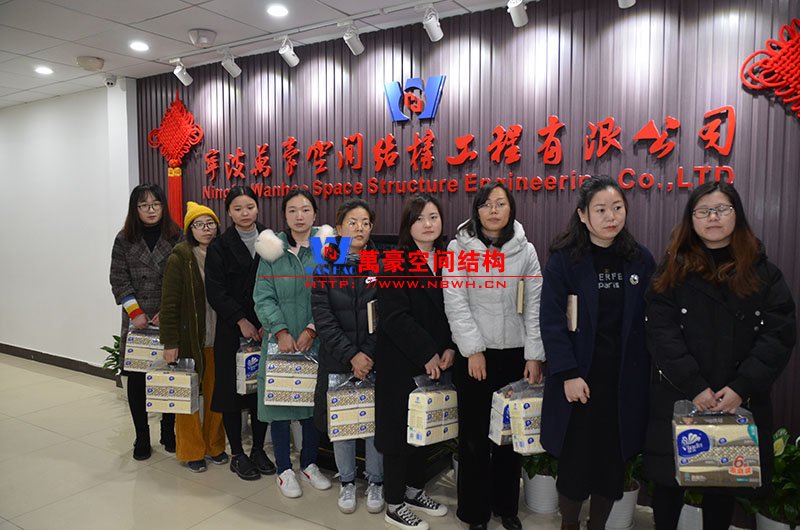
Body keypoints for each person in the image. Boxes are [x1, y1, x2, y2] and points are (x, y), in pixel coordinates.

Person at [644, 181, 796, 530]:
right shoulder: (671, 269)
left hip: (738, 398)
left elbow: (779, 334)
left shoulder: (763, 272)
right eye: (703, 211)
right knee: (668, 485)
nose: (713, 217)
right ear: (691, 219)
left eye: (721, 209)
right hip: (680, 395)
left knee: (723, 485)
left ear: (736, 215)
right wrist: (694, 385)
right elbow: (661, 332)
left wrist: (742, 387)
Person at [539, 176, 656, 530]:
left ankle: (598, 526)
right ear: (583, 215)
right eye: (601, 210)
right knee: (575, 464)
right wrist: (568, 373)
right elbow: (551, 320)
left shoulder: (640, 260)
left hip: (622, 382)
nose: (611, 217)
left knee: (611, 466)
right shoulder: (565, 260)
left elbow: (653, 318)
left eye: (617, 208)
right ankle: (569, 524)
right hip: (579, 381)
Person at [442, 182, 544, 530]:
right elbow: (456, 302)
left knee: (508, 437)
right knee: (474, 439)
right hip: (475, 356)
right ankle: (474, 513)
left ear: (511, 208)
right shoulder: (459, 248)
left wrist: (534, 355)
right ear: (477, 210)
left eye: (500, 203)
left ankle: (506, 506)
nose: (494, 210)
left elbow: (534, 305)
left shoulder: (525, 250)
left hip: (514, 355)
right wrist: (473, 350)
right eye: (486, 204)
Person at [376, 194, 455, 530]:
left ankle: (414, 491)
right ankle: (394, 504)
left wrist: (450, 347)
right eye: (419, 218)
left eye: (433, 217)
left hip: (437, 360)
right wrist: (427, 353)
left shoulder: (449, 259)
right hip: (402, 361)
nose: (428, 224)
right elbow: (395, 317)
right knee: (398, 435)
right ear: (408, 225)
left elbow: (456, 308)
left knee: (424, 427)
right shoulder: (395, 261)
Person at [253, 189, 333, 497]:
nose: (299, 216)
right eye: (292, 210)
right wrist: (281, 330)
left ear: (315, 213)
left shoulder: (329, 246)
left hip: (317, 340)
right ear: (284, 215)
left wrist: (313, 329)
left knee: (312, 405)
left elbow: (335, 293)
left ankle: (309, 464)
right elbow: (262, 297)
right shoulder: (271, 249)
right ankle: (284, 470)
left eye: (305, 209)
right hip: (281, 343)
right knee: (280, 404)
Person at [311, 199, 385, 515]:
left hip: (374, 359)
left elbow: (386, 315)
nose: (359, 228)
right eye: (352, 222)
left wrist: (367, 353)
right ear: (339, 228)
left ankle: (376, 481)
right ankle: (347, 481)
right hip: (337, 358)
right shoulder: (326, 264)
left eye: (365, 222)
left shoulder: (382, 263)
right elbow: (323, 317)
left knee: (373, 423)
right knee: (344, 423)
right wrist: (351, 355)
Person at [205, 186, 276, 481]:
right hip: (232, 329)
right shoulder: (219, 246)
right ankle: (237, 453)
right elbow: (215, 291)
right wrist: (241, 320)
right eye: (238, 208)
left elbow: (278, 283)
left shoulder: (271, 241)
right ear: (229, 212)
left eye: (250, 207)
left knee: (261, 391)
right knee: (231, 393)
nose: (245, 213)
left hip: (266, 327)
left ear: (257, 208)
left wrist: (267, 321)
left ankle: (258, 449)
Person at [110, 183, 182, 460]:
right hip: (137, 319)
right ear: (135, 209)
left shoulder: (176, 235)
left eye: (155, 204)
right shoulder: (124, 239)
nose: (151, 210)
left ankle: (168, 430)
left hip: (168, 316)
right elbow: (118, 278)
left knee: (169, 375)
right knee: (137, 380)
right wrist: (135, 311)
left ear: (163, 206)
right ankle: (141, 435)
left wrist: (168, 310)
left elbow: (183, 278)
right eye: (143, 205)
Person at [159, 202, 228, 473]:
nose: (206, 229)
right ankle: (191, 450)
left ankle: (215, 446)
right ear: (190, 229)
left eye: (210, 223)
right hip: (190, 341)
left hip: (218, 338)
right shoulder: (180, 258)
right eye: (199, 225)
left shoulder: (222, 253)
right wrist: (170, 343)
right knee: (186, 398)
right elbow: (169, 304)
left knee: (216, 397)